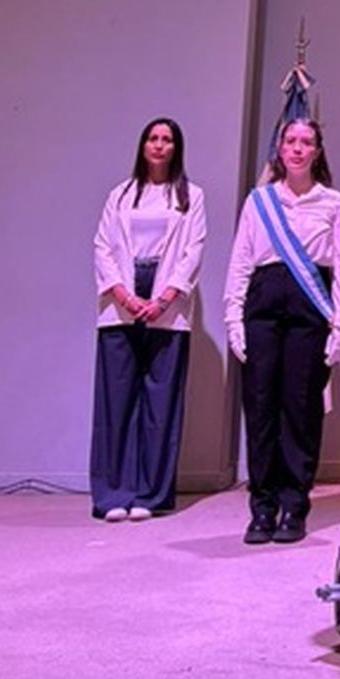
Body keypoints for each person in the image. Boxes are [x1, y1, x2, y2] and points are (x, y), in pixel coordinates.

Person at [223, 118, 340, 545]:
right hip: (262, 304)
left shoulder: (332, 202)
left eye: (306, 142)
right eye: (290, 141)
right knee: (260, 408)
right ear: (279, 149)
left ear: (318, 151)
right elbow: (241, 260)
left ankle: (295, 505)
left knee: (300, 409)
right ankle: (261, 508)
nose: (297, 149)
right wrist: (232, 318)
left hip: (309, 308)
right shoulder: (259, 201)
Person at [91, 117, 207, 522]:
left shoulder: (191, 197)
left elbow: (193, 251)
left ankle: (149, 494)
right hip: (122, 294)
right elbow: (103, 247)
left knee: (160, 401)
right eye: (153, 139)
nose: (159, 145)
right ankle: (112, 494)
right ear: (143, 146)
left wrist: (164, 298)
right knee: (116, 401)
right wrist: (122, 293)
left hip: (165, 299)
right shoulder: (120, 195)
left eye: (167, 139)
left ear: (176, 148)